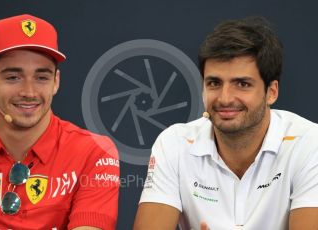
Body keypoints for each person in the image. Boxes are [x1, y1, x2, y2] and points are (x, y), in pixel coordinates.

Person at [134, 17, 318, 230]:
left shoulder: (309, 143)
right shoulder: (174, 143)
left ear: (272, 92)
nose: (225, 98)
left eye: (242, 84)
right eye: (214, 83)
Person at [0, 14, 119, 229]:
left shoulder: (95, 152)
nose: (29, 92)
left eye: (41, 77)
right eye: (13, 77)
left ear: (55, 82)